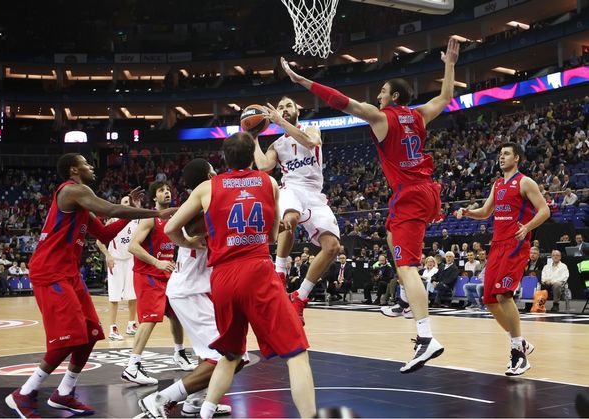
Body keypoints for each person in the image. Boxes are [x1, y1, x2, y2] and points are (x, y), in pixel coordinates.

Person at [280, 37, 461, 373]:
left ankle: (425, 337)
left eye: (381, 91)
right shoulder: (418, 114)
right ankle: (405, 299)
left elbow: (340, 101)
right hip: (424, 190)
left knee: (407, 267)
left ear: (392, 97)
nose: (377, 96)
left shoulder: (382, 118)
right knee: (391, 237)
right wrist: (449, 64)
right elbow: (446, 96)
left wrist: (303, 81)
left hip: (410, 193)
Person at [5, 153, 176, 418]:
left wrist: (131, 214)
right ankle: (24, 394)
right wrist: (155, 213)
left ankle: (64, 393)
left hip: (69, 273)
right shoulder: (73, 190)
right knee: (68, 338)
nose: (92, 166)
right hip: (50, 272)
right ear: (74, 170)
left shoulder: (81, 204)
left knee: (91, 333)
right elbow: (110, 209)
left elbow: (106, 234)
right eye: (86, 163)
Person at [164, 132, 315, 418]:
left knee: (230, 354)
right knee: (296, 352)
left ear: (224, 158)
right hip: (256, 270)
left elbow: (172, 228)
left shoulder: (207, 188)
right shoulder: (268, 182)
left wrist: (191, 243)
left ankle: (206, 412)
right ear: (251, 157)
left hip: (221, 277)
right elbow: (271, 237)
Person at [139, 159, 231, 418]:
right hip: (190, 291)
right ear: (209, 175)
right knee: (229, 355)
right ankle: (162, 398)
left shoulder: (202, 201)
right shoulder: (202, 205)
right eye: (213, 170)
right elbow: (181, 228)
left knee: (208, 353)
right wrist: (191, 242)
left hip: (194, 288)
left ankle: (195, 401)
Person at [457, 142, 550, 375]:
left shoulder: (525, 182)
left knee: (503, 294)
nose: (501, 157)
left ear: (516, 158)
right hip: (497, 245)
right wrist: (469, 212)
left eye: (506, 154)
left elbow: (544, 210)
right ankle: (520, 341)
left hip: (516, 243)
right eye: (500, 154)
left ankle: (519, 353)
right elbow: (486, 212)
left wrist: (527, 227)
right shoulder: (498, 184)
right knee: (489, 299)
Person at [252, 96, 341, 324]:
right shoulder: (276, 145)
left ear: (297, 110)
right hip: (291, 187)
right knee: (289, 218)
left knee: (332, 247)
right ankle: (280, 273)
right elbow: (264, 166)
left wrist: (281, 121)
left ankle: (299, 297)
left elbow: (310, 143)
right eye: (280, 107)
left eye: (288, 105)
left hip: (315, 194)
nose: (283, 109)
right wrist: (253, 138)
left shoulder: (312, 128)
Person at [122, 181, 196, 386]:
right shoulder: (150, 219)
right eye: (161, 191)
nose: (166, 193)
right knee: (150, 319)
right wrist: (157, 262)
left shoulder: (173, 219)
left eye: (168, 190)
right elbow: (133, 247)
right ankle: (132, 366)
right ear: (154, 197)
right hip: (148, 275)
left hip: (167, 275)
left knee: (177, 313)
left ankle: (179, 353)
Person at [96, 195, 140, 341]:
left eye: (129, 202)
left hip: (130, 259)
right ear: (120, 206)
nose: (128, 204)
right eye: (125, 202)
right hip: (116, 260)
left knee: (133, 295)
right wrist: (108, 255)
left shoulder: (136, 221)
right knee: (114, 296)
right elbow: (99, 241)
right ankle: (112, 328)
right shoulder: (114, 220)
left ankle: (131, 324)